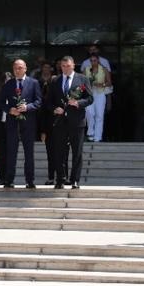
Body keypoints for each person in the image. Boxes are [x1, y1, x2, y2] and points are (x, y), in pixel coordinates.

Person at [46, 56, 93, 189]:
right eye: (63, 66)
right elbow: (48, 101)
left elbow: (90, 98)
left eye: (68, 66)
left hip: (77, 121)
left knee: (77, 152)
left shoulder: (83, 79)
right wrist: (55, 109)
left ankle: (75, 180)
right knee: (59, 151)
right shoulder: (55, 80)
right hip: (60, 122)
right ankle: (60, 179)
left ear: (73, 65)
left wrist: (78, 103)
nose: (65, 68)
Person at [0, 58, 43, 189]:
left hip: (28, 123)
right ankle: (9, 180)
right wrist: (9, 109)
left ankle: (30, 180)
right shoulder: (8, 84)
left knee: (29, 153)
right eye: (15, 68)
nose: (17, 70)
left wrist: (28, 107)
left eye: (20, 68)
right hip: (12, 123)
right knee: (11, 152)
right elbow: (0, 102)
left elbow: (39, 101)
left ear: (25, 69)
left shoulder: (34, 83)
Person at [80, 42, 113, 142]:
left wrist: (102, 84)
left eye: (95, 60)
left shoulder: (104, 69)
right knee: (89, 113)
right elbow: (81, 82)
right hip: (89, 94)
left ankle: (98, 136)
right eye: (91, 61)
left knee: (99, 115)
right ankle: (90, 132)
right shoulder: (86, 69)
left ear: (98, 60)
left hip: (100, 93)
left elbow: (109, 83)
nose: (93, 62)